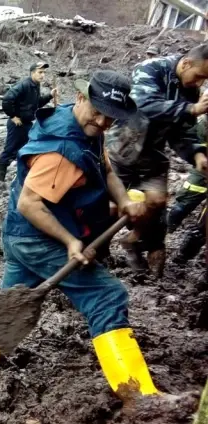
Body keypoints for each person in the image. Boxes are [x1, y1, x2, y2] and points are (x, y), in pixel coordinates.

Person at [0, 71, 158, 397]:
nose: (104, 122)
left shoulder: (84, 125)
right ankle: (139, 395)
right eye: (98, 112)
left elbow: (104, 169)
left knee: (11, 300)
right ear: (82, 97)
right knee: (108, 295)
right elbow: (30, 204)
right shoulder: (63, 149)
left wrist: (122, 200)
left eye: (111, 117)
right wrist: (70, 241)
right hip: (38, 236)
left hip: (22, 234)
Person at [105, 44, 208, 277]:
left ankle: (133, 241)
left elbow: (181, 130)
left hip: (153, 154)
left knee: (156, 202)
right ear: (186, 64)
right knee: (111, 207)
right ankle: (101, 251)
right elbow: (143, 105)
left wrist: (196, 153)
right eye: (199, 76)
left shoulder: (189, 89)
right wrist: (190, 109)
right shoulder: (151, 69)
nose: (200, 84)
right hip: (123, 148)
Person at [0, 61, 58, 185]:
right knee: (9, 151)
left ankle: (24, 179)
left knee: (27, 150)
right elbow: (7, 100)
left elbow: (37, 104)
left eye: (44, 73)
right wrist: (13, 116)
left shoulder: (36, 86)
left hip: (27, 124)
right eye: (40, 72)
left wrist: (50, 96)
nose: (42, 75)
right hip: (17, 124)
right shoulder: (24, 85)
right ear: (32, 73)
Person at [168, 116, 208, 233]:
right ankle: (168, 228)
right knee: (183, 204)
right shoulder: (204, 123)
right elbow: (193, 144)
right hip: (204, 169)